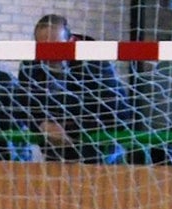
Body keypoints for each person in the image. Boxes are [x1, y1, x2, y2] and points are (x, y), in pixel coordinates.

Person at [17, 14, 139, 164]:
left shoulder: (94, 62)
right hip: (57, 148)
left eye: (57, 47)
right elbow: (24, 105)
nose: (50, 55)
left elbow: (118, 112)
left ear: (71, 41)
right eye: (43, 48)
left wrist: (69, 128)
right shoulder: (30, 65)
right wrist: (42, 124)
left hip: (100, 145)